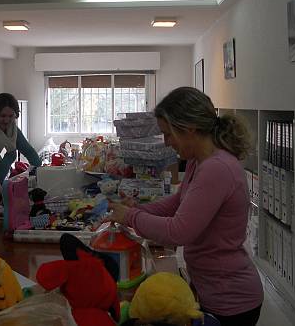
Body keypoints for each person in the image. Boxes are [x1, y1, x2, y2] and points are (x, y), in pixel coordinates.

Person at [108, 87, 263, 326]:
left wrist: (131, 216)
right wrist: (137, 209)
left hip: (231, 300)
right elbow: (176, 203)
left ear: (189, 129)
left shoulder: (217, 168)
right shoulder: (197, 161)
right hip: (210, 289)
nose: (166, 142)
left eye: (168, 134)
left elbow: (179, 232)